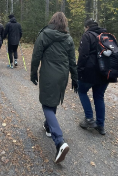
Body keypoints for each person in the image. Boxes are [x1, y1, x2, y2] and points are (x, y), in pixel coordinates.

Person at [29, 12, 78, 163]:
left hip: (48, 74)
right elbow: (72, 61)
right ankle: (48, 126)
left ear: (52, 21)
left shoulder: (44, 35)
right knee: (53, 100)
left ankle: (59, 142)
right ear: (64, 24)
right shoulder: (68, 38)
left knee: (46, 104)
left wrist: (33, 72)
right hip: (62, 75)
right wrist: (75, 78)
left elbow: (36, 54)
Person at [77, 18, 109, 135]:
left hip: (90, 72)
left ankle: (89, 119)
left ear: (87, 27)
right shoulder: (106, 35)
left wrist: (79, 71)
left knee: (82, 91)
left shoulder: (87, 35)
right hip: (105, 73)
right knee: (99, 97)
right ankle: (100, 125)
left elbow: (83, 55)